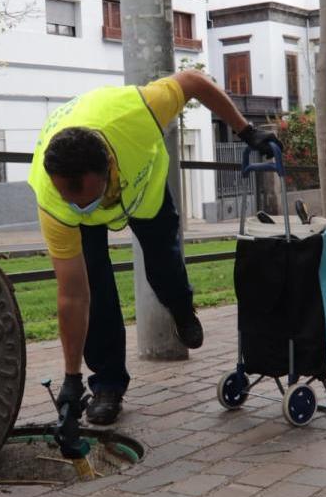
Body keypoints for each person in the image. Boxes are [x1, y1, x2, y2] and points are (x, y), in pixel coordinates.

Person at [28, 70, 281, 425]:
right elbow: (72, 295)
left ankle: (181, 307)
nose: (81, 208)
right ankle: (108, 385)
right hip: (80, 224)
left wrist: (247, 131)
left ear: (110, 168)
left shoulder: (138, 112)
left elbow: (193, 81)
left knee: (163, 265)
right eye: (72, 200)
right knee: (96, 289)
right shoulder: (55, 202)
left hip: (145, 195)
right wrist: (71, 378)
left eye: (88, 199)